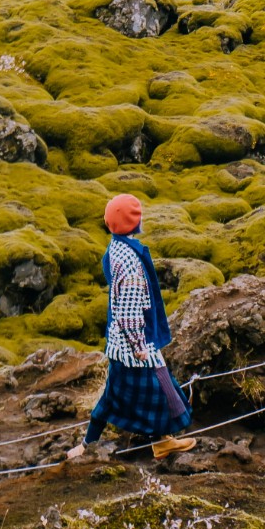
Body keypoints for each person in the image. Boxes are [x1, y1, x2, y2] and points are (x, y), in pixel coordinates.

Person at [67, 194, 199, 460]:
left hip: (122, 343)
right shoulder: (130, 262)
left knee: (142, 392)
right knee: (152, 393)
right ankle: (86, 446)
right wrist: (139, 345)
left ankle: (160, 442)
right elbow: (128, 311)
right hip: (132, 347)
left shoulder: (116, 248)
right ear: (135, 222)